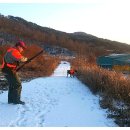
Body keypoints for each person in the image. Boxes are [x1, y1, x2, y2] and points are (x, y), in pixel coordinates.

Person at [1, 41, 28, 105]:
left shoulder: (11, 50)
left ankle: (11, 101)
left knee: (12, 85)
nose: (23, 49)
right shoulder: (14, 51)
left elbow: (14, 60)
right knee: (18, 84)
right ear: (19, 46)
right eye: (22, 48)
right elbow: (21, 58)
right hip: (9, 71)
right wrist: (26, 59)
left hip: (7, 70)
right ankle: (16, 101)